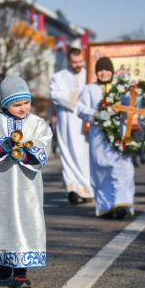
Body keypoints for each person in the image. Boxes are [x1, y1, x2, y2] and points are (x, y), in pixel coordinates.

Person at [0, 76, 53, 288]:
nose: (23, 108)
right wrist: (4, 145)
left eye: (26, 102)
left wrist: (24, 150)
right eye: (16, 104)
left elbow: (44, 145)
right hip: (0, 184)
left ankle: (20, 272)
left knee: (26, 223)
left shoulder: (37, 123)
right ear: (5, 103)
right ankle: (3, 260)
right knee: (0, 221)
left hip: (27, 186)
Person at [76, 57, 135, 219]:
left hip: (119, 133)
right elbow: (81, 109)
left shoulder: (120, 87)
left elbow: (131, 105)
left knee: (123, 168)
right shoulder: (89, 89)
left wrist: (131, 99)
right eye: (100, 70)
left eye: (107, 70)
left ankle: (123, 203)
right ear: (96, 72)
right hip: (98, 135)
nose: (104, 73)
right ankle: (106, 206)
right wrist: (96, 114)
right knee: (101, 170)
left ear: (112, 71)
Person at [49, 47, 94, 204]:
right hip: (67, 119)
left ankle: (86, 188)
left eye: (80, 61)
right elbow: (55, 95)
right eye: (74, 62)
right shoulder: (58, 77)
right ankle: (73, 190)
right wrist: (73, 102)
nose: (77, 65)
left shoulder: (89, 75)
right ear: (68, 60)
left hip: (85, 121)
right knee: (68, 153)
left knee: (84, 154)